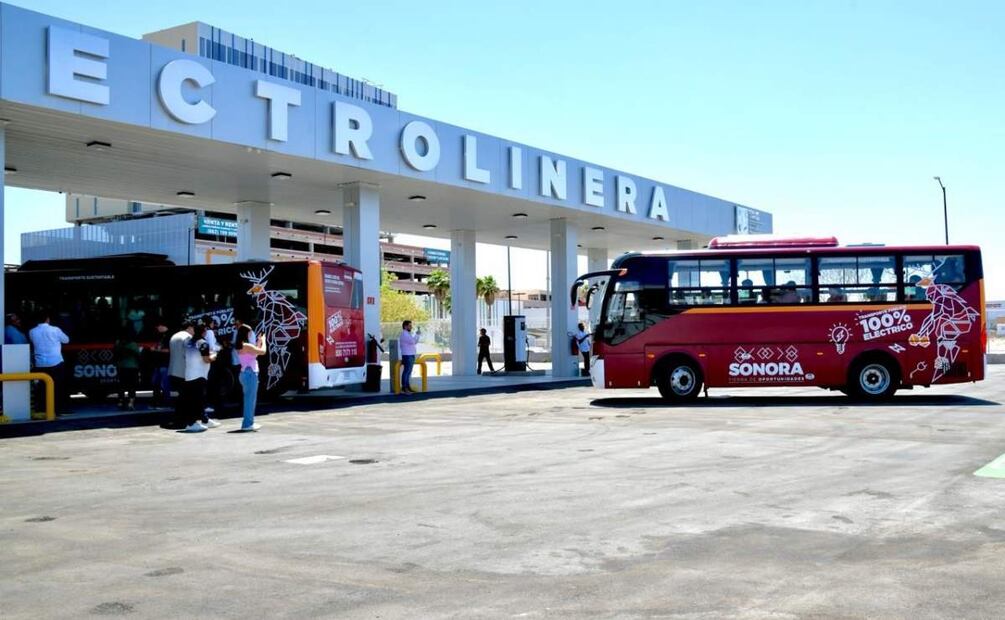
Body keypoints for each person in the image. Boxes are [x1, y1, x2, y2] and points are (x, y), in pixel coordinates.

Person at [28, 311, 70, 413]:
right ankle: (59, 409)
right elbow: (66, 340)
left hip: (40, 363)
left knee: (42, 388)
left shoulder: (32, 331)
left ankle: (42, 409)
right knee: (58, 387)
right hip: (56, 362)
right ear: (47, 319)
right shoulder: (55, 330)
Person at [181, 324, 218, 433]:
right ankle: (191, 423)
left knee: (196, 400)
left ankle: (204, 420)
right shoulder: (203, 343)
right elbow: (206, 360)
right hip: (199, 375)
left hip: (189, 374)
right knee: (196, 400)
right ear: (204, 332)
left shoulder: (188, 342)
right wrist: (214, 356)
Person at [234, 324, 267, 432]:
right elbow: (262, 351)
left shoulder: (242, 345)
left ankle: (248, 422)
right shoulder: (246, 345)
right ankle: (247, 424)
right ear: (246, 333)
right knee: (250, 400)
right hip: (250, 374)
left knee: (249, 399)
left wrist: (259, 341)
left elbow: (255, 354)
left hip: (246, 373)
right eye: (250, 331)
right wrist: (264, 341)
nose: (251, 333)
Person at [168, 321, 195, 428]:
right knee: (186, 398)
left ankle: (178, 420)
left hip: (173, 370)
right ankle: (183, 421)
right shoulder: (188, 337)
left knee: (180, 397)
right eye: (193, 329)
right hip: (183, 371)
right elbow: (189, 354)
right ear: (189, 328)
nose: (194, 331)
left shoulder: (174, 336)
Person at [114, 326, 142, 410]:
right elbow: (138, 355)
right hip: (132, 367)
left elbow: (115, 354)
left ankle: (120, 401)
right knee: (132, 386)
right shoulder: (133, 344)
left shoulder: (118, 343)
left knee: (122, 385)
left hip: (121, 367)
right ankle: (131, 403)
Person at [149, 324, 172, 405]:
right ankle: (157, 399)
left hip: (165, 363)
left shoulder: (169, 336)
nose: (157, 328)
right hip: (158, 363)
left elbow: (169, 350)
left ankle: (167, 400)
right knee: (155, 382)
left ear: (162, 326)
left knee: (165, 383)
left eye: (158, 326)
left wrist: (155, 350)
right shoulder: (160, 336)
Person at [398, 320, 420, 395]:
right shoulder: (404, 334)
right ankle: (404, 388)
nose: (411, 327)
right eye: (409, 326)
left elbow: (414, 342)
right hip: (407, 355)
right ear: (405, 326)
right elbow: (413, 341)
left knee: (409, 372)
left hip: (410, 355)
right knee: (406, 372)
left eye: (411, 325)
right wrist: (417, 335)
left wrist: (417, 335)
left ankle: (407, 387)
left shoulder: (407, 334)